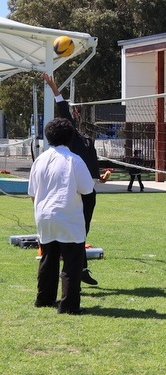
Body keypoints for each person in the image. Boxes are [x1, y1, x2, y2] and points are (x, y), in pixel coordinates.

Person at [42, 73, 106, 286]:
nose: (75, 114)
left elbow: (91, 167)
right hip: (76, 193)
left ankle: (81, 269)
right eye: (73, 112)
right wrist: (53, 87)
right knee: (74, 233)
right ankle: (72, 271)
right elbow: (63, 109)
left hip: (90, 191)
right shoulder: (71, 138)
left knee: (83, 231)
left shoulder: (87, 140)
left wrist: (101, 178)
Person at [29, 117, 95, 314]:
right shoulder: (74, 160)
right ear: (71, 137)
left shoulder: (39, 160)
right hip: (67, 216)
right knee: (72, 261)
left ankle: (44, 299)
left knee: (48, 259)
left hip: (44, 216)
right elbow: (87, 190)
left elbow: (32, 193)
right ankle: (68, 306)